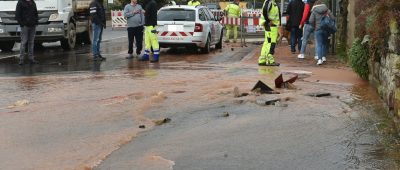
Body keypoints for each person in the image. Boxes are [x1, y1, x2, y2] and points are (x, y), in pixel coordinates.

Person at [309, 0, 334, 65]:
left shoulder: (314, 11)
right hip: (326, 29)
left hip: (318, 29)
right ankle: (323, 57)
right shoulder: (327, 10)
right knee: (325, 43)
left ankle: (319, 59)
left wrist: (314, 26)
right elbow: (333, 18)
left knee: (319, 44)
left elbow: (311, 21)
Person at [15, 0, 39, 65]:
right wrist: (22, 24)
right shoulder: (20, 2)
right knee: (23, 42)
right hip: (24, 26)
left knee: (31, 42)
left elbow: (36, 13)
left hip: (32, 25)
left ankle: (31, 59)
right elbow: (17, 15)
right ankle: (21, 60)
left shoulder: (33, 2)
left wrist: (36, 22)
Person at [258, 0, 281, 66]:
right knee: (271, 43)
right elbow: (265, 11)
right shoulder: (270, 2)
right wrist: (268, 21)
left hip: (270, 26)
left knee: (267, 42)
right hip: (271, 26)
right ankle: (270, 60)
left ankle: (262, 60)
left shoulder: (272, 2)